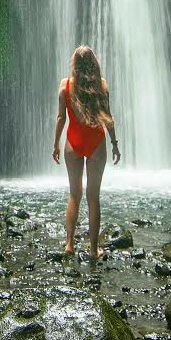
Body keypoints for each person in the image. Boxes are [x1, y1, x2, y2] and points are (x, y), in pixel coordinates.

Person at [52, 44, 120, 261]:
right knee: (93, 198)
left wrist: (55, 144)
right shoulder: (101, 85)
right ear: (94, 63)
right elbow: (107, 117)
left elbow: (61, 117)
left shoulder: (65, 85)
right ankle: (93, 250)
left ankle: (70, 244)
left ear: (74, 64)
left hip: (73, 142)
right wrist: (115, 143)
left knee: (74, 195)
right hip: (96, 142)